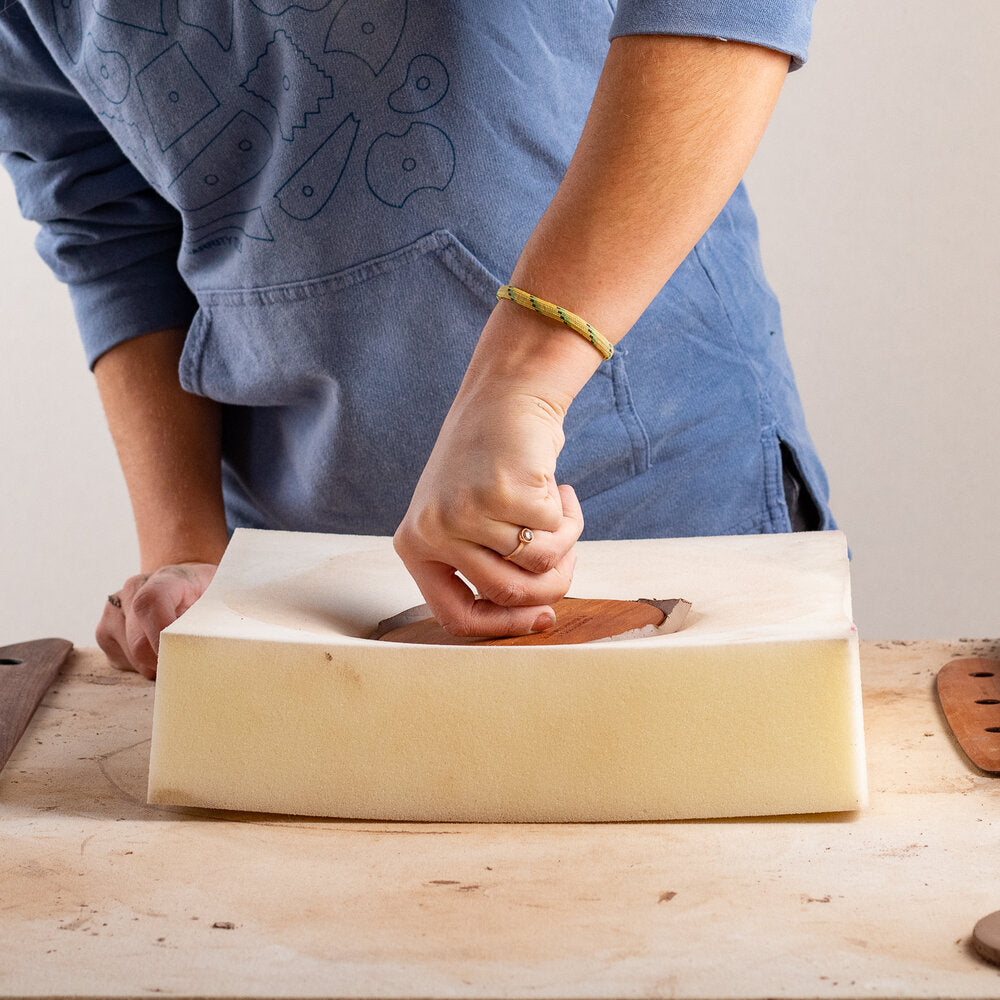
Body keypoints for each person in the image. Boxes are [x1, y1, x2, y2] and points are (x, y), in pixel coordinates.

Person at [0, 0, 830, 679]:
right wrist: (185, 550)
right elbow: (101, 209)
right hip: (303, 583)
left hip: (662, 503)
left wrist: (522, 384)